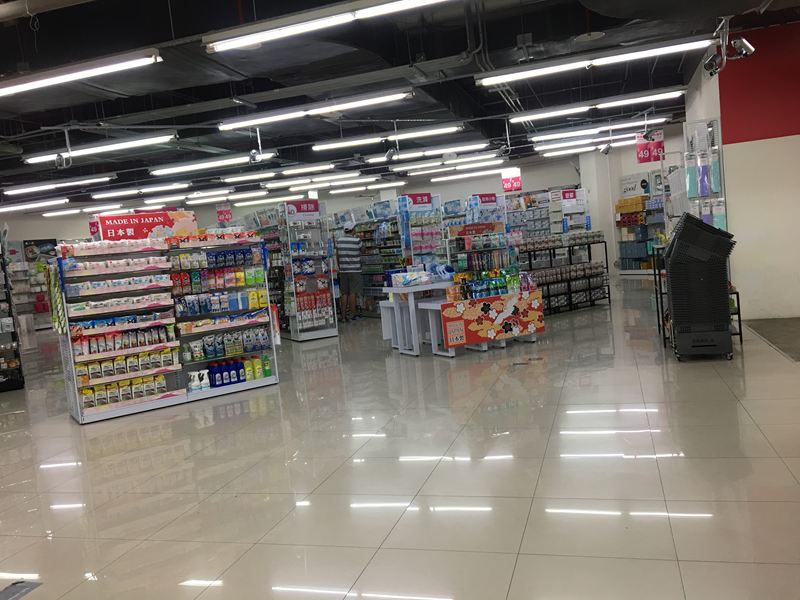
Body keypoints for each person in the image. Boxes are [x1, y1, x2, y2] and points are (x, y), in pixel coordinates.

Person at [336, 227, 362, 322]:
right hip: (355, 271)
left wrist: (340, 267)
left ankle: (343, 317)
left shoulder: (339, 241)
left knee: (344, 293)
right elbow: (363, 250)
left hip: (343, 271)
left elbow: (337, 255)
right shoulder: (357, 240)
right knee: (353, 293)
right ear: (353, 230)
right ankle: (352, 315)